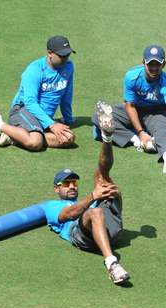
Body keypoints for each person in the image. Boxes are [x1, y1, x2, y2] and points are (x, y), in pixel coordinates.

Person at [42, 101, 129, 284]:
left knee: (103, 178)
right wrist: (93, 197)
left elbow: (97, 193)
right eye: (66, 183)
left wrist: (104, 192)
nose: (72, 186)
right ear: (56, 188)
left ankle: (107, 137)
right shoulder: (52, 206)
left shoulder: (89, 201)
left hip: (109, 229)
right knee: (95, 211)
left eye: (73, 182)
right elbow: (68, 215)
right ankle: (112, 264)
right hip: (80, 235)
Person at [92, 45, 166, 175]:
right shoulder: (132, 76)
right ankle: (135, 140)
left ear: (163, 64)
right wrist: (140, 133)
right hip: (134, 109)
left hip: (156, 113)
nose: (154, 68)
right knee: (99, 116)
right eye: (150, 64)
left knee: (163, 131)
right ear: (143, 63)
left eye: (157, 64)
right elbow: (130, 106)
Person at [0, 35, 76, 151]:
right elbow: (30, 102)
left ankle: (15, 136)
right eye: (62, 55)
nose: (65, 58)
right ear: (50, 53)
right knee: (35, 143)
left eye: (67, 55)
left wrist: (68, 119)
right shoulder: (34, 70)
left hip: (43, 117)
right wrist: (52, 125)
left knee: (68, 138)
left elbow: (67, 95)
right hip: (23, 110)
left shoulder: (68, 67)